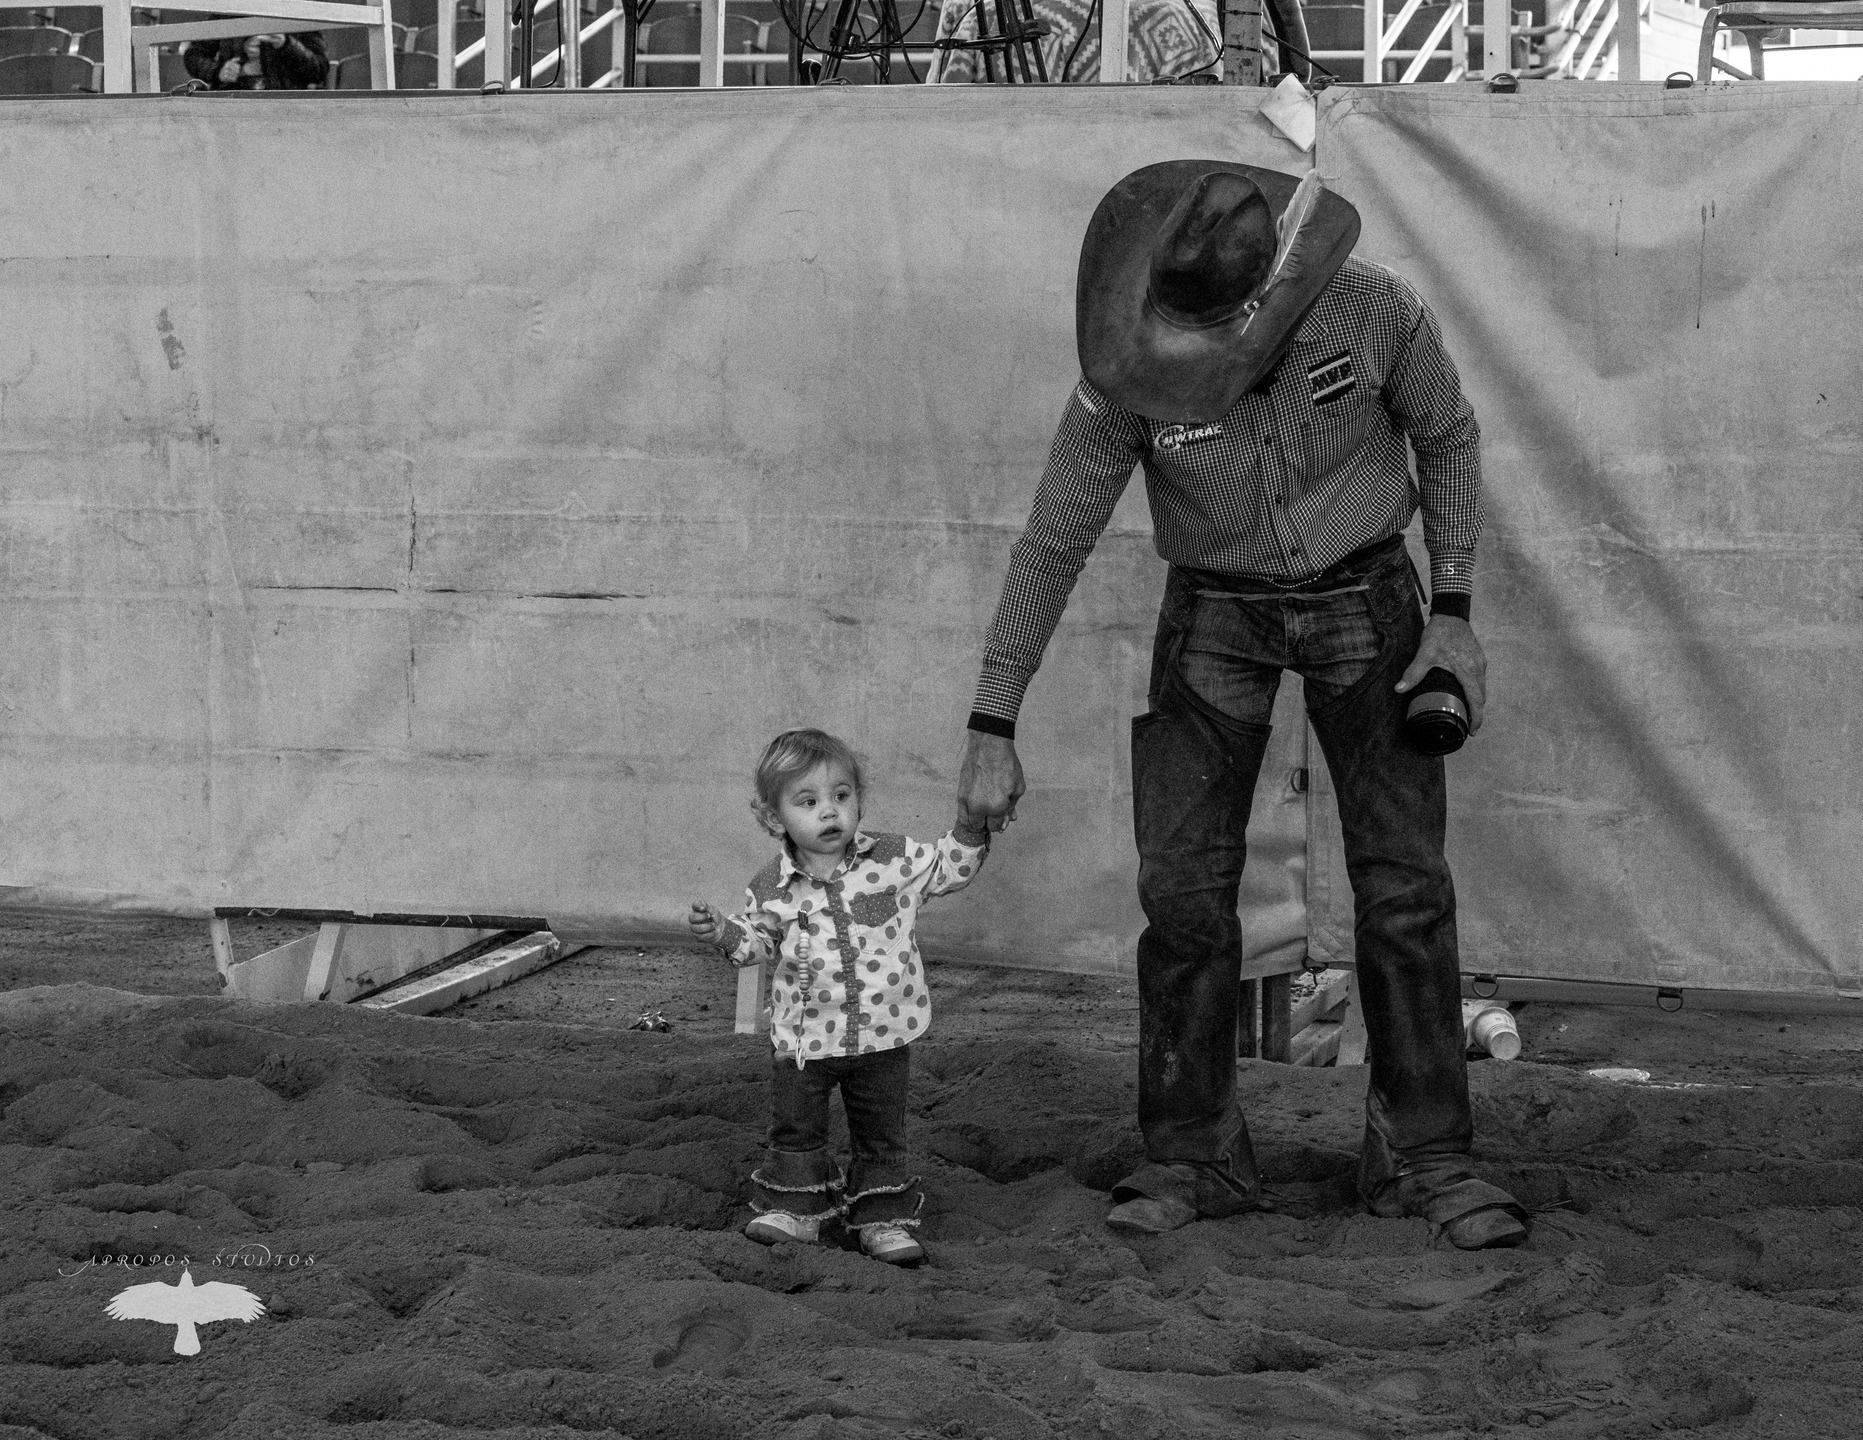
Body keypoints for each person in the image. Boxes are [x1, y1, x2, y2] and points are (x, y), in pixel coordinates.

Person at [955, 161, 1531, 1250]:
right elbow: (1054, 537)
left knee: (1404, 886)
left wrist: (1452, 609)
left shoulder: (1376, 313)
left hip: (1368, 589)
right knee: (1181, 891)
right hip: (1213, 604)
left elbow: (1449, 436)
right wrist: (992, 720)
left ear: (1274, 292)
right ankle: (1191, 1155)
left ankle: (1426, 1158)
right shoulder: (1125, 368)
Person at [689, 728, 991, 1265]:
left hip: (884, 1031)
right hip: (804, 1040)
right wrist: (722, 934)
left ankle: (882, 1220)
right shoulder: (771, 886)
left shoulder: (893, 859)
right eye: (808, 802)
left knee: (880, 1133)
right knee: (797, 1128)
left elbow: (950, 867)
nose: (830, 812)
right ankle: (796, 1212)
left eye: (842, 796)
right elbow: (756, 943)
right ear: (774, 819)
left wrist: (970, 824)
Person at [182, 31, 329, 90]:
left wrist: (286, 44)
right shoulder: (228, 10)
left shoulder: (297, 9)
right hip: (231, 104)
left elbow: (319, 69)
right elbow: (193, 55)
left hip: (283, 107)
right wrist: (218, 71)